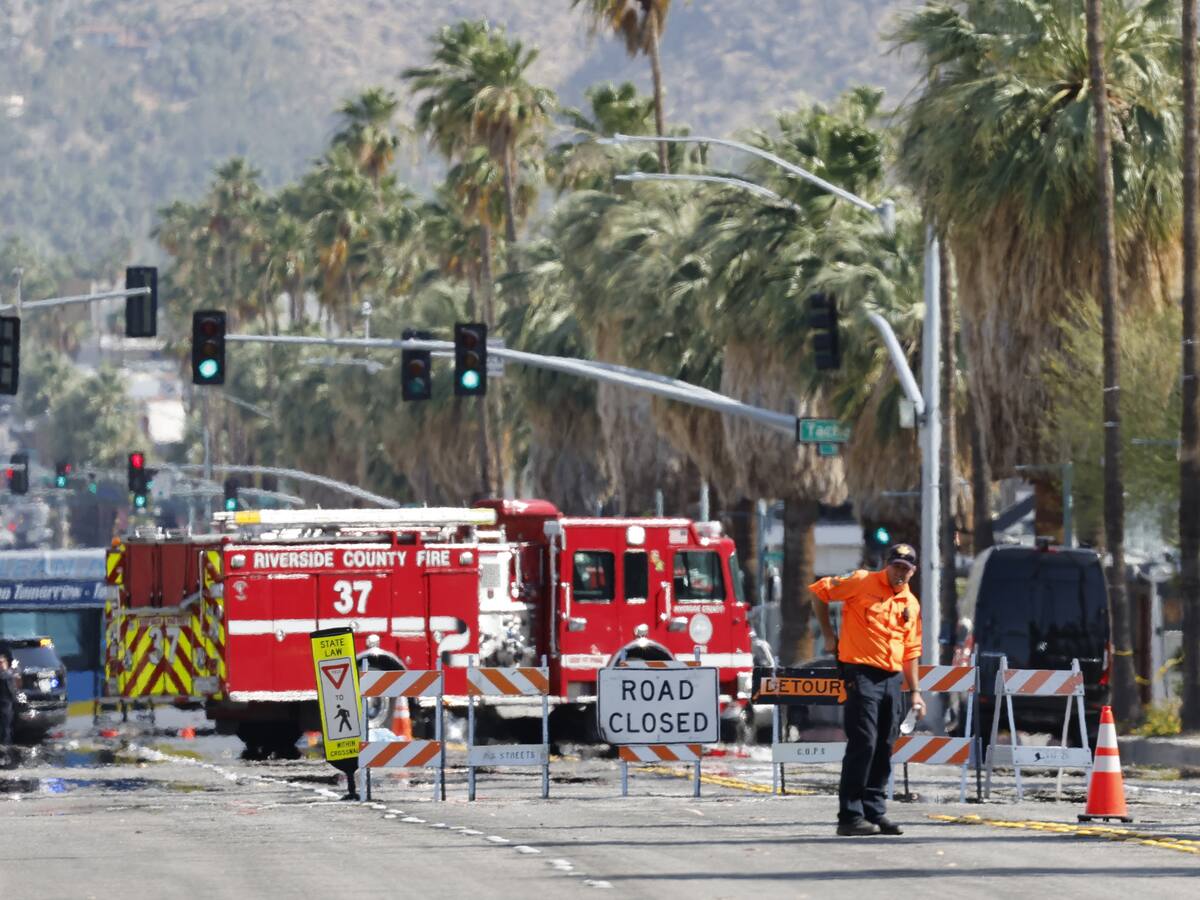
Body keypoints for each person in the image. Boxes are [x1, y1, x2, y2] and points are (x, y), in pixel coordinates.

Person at [810, 543, 925, 836]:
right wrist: (828, 635)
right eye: (896, 566)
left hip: (891, 679)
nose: (900, 572)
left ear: (913, 571)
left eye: (906, 568)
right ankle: (850, 816)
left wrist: (915, 692)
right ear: (887, 565)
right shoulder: (861, 581)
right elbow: (820, 592)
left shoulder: (910, 604)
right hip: (861, 673)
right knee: (864, 742)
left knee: (885, 744)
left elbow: (911, 650)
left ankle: (875, 811)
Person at [0, 648, 18, 751]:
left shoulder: (9, 672)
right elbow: (5, 675)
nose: (1, 665)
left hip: (9, 703)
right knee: (4, 728)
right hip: (3, 703)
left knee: (8, 727)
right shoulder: (5, 674)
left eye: (3, 662)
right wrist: (13, 669)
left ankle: (7, 747)